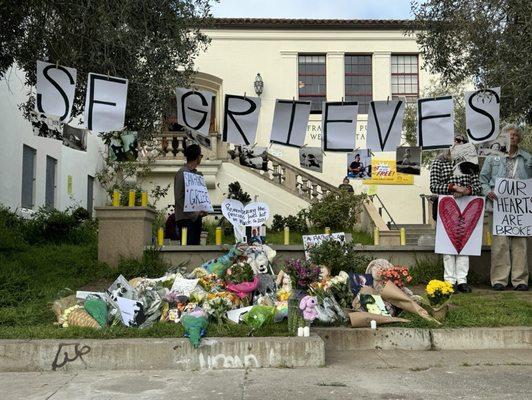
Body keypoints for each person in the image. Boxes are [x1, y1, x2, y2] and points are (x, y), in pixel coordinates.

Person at [480, 124, 531, 291]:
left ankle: (520, 280)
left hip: (520, 210)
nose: (512, 137)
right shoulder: (492, 158)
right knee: (500, 244)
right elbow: (483, 180)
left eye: (515, 135)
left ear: (519, 138)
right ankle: (499, 280)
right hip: (497, 207)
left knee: (520, 244)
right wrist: (488, 192)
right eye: (509, 135)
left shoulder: (527, 158)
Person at [430, 134, 481, 293]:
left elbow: (478, 186)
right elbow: (434, 186)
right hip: (445, 208)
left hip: (466, 207)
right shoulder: (438, 162)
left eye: (461, 141)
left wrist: (467, 190)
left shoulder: (470, 164)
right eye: (454, 140)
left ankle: (462, 280)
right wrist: (453, 187)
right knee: (448, 245)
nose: (457, 143)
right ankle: (449, 280)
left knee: (465, 244)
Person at [174, 144, 206, 245]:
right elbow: (179, 197)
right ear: (197, 157)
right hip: (185, 219)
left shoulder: (197, 174)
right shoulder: (181, 173)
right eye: (201, 156)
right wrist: (194, 213)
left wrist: (204, 208)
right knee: (187, 249)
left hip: (196, 218)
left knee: (195, 247)